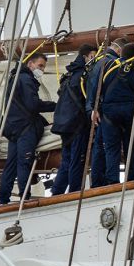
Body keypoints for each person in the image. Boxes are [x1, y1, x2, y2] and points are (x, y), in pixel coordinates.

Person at [0, 53, 54, 204]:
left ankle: (3, 198)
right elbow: (33, 104)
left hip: (13, 129)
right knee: (24, 162)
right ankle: (24, 198)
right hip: (25, 128)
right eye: (40, 65)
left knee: (11, 165)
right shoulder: (26, 79)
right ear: (30, 64)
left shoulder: (14, 78)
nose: (42, 69)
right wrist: (55, 106)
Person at [92, 43, 134, 185]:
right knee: (131, 148)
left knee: (111, 149)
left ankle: (113, 181)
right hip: (129, 113)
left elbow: (96, 88)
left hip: (109, 114)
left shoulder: (108, 66)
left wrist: (94, 108)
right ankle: (131, 179)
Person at [50, 44, 97, 194]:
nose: (94, 60)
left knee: (67, 160)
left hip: (64, 124)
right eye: (92, 57)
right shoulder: (84, 75)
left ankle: (57, 192)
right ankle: (74, 193)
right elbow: (88, 99)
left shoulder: (67, 76)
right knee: (78, 160)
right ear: (86, 57)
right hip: (77, 124)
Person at [86, 38, 125, 187]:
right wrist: (94, 109)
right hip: (103, 111)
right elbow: (97, 88)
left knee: (100, 147)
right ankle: (106, 181)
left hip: (98, 110)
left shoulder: (99, 61)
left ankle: (97, 181)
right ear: (119, 50)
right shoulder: (110, 62)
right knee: (106, 147)